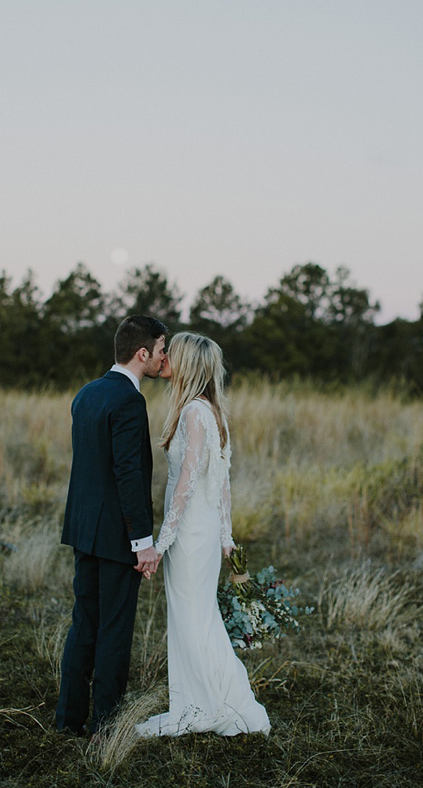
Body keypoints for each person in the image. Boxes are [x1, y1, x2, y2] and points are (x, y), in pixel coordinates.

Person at [136, 332, 270, 737]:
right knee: (199, 617)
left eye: (172, 353)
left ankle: (207, 707)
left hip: (191, 533)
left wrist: (161, 542)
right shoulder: (212, 411)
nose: (166, 358)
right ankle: (202, 701)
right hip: (205, 530)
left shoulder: (195, 412)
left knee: (193, 619)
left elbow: (189, 482)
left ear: (189, 364)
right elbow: (223, 482)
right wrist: (226, 535)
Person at [56, 315, 167, 737]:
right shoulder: (128, 401)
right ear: (143, 354)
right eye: (160, 350)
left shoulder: (87, 394)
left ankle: (69, 718)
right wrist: (143, 543)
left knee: (84, 621)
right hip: (118, 536)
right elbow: (127, 474)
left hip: (84, 530)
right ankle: (106, 726)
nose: (163, 359)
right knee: (115, 629)